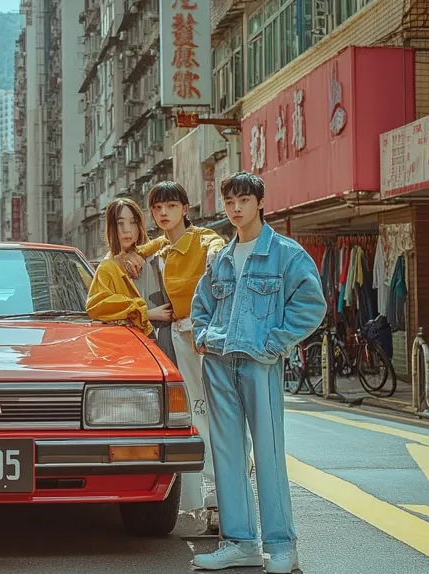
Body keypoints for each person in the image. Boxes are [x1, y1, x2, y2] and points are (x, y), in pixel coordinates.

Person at [190, 172, 325, 572]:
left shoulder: (285, 254)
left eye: (243, 200)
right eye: (229, 202)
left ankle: (282, 546)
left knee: (268, 454)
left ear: (260, 202)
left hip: (259, 363)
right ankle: (240, 542)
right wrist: (203, 336)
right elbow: (201, 304)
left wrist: (273, 343)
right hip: (218, 363)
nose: (235, 209)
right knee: (227, 454)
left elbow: (311, 305)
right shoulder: (221, 258)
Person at [117, 181, 227, 528]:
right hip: (179, 338)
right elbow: (142, 249)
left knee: (213, 413)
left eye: (171, 206)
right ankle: (210, 499)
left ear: (185, 209)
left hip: (204, 337)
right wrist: (132, 256)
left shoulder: (202, 239)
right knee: (193, 415)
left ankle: (222, 497)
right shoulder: (163, 246)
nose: (163, 213)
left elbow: (215, 245)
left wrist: (215, 255)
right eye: (157, 208)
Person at [87, 198, 175, 348]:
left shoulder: (150, 256)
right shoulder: (107, 268)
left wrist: (140, 252)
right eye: (120, 223)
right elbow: (96, 307)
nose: (127, 229)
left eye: (133, 222)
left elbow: (169, 239)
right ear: (111, 227)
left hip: (166, 339)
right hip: (128, 347)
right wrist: (146, 313)